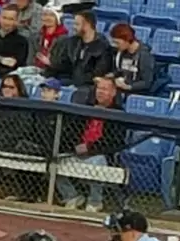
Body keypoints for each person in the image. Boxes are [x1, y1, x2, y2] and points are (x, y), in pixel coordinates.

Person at [56, 77, 125, 212]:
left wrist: (89, 148)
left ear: (113, 92)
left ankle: (95, 201)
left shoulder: (119, 113)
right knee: (56, 158)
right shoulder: (86, 109)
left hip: (100, 154)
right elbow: (71, 131)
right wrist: (75, 145)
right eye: (99, 89)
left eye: (105, 89)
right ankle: (71, 196)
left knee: (98, 160)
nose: (100, 92)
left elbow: (114, 140)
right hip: (77, 152)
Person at [45, 10, 111, 97]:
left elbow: (98, 73)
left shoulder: (103, 46)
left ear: (87, 25)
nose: (73, 27)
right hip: (70, 80)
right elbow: (65, 65)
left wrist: (77, 83)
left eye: (77, 24)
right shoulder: (73, 42)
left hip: (88, 86)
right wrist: (52, 63)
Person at [106, 23, 155, 96]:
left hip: (136, 92)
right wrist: (112, 75)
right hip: (122, 88)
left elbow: (147, 82)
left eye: (117, 43)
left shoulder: (145, 56)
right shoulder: (121, 53)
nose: (115, 45)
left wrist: (128, 87)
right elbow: (121, 70)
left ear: (127, 40)